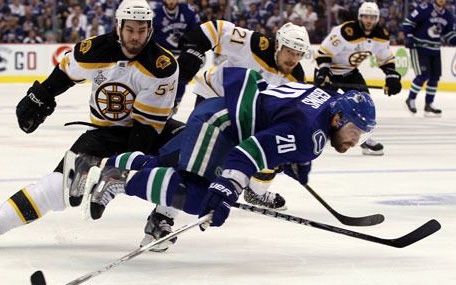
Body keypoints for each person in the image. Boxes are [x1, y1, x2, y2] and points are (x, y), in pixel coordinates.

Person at [0, 0, 179, 251]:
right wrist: (42, 95)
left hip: (146, 130)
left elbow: (146, 129)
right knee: (58, 187)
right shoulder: (93, 51)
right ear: (118, 27)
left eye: (142, 30)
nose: (136, 37)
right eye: (130, 29)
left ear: (150, 29)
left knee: (188, 149)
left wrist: (118, 171)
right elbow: (64, 73)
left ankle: (161, 219)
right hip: (105, 133)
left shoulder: (162, 66)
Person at [69, 67, 376, 237]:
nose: (353, 142)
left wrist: (296, 158)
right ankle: (118, 180)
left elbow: (287, 120)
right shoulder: (312, 134)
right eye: (353, 133)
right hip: (223, 128)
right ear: (337, 119)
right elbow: (251, 152)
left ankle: (95, 164)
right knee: (200, 197)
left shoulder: (329, 98)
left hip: (218, 111)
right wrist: (226, 188)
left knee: (162, 164)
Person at [178, 20, 309, 210]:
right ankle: (191, 188)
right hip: (215, 95)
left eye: (299, 55)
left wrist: (287, 151)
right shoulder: (255, 44)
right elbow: (217, 29)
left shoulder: (296, 79)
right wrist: (193, 49)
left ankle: (256, 192)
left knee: (272, 146)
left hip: (245, 110)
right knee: (212, 153)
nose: (293, 59)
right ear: (278, 45)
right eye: (290, 52)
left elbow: (288, 117)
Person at [314, 1, 402, 156]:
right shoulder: (345, 31)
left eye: (373, 17)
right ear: (360, 17)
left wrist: (392, 76)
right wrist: (323, 73)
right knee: (320, 106)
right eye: (366, 17)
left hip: (349, 72)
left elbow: (385, 58)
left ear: (377, 18)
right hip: (328, 71)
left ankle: (365, 140)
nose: (369, 21)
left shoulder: (381, 35)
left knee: (364, 102)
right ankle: (313, 135)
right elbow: (324, 53)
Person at [403, 0, 456, 117]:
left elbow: (448, 34)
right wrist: (409, 37)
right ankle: (410, 99)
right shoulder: (424, 8)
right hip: (420, 48)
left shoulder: (448, 15)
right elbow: (408, 22)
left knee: (434, 77)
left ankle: (429, 103)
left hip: (435, 49)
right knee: (423, 75)